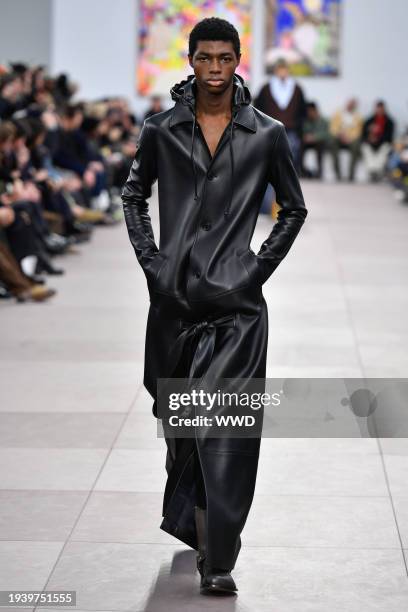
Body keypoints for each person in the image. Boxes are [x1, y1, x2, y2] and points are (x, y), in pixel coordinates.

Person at [121, 17, 308, 596]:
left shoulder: (266, 134)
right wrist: (153, 264)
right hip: (174, 306)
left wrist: (255, 270)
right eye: (205, 58)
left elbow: (293, 208)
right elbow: (133, 194)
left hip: (237, 314)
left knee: (223, 434)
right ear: (191, 59)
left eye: (225, 58)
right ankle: (200, 531)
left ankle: (219, 561)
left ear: (238, 60)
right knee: (183, 432)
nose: (215, 69)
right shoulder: (161, 130)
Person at [253, 57, 306, 173]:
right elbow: (258, 108)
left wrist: (298, 125)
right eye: (280, 69)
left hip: (291, 128)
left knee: (293, 150)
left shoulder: (297, 89)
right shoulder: (266, 88)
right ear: (276, 71)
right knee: (269, 152)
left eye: (284, 69)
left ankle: (290, 175)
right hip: (270, 128)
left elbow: (302, 110)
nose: (282, 72)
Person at [328, 98, 363, 181]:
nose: (350, 106)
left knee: (356, 146)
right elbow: (332, 128)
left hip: (351, 139)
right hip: (339, 137)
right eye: (349, 104)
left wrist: (349, 138)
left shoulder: (358, 117)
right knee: (332, 143)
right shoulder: (338, 114)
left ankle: (351, 175)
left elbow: (358, 131)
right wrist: (340, 134)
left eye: (352, 104)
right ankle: (337, 174)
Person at [361, 100, 395, 182]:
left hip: (382, 143)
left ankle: (377, 171)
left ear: (384, 109)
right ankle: (372, 171)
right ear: (375, 109)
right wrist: (370, 138)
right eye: (378, 108)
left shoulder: (389, 121)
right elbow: (363, 135)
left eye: (381, 109)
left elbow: (389, 136)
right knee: (365, 148)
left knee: (385, 149)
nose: (379, 110)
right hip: (370, 143)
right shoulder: (369, 120)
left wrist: (378, 139)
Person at [301, 101, 330, 179]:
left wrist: (314, 137)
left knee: (320, 146)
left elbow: (326, 134)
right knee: (300, 146)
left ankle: (319, 172)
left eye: (310, 111)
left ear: (314, 110)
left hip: (319, 142)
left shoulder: (324, 121)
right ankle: (302, 171)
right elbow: (304, 131)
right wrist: (306, 137)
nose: (308, 113)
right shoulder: (306, 121)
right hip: (308, 142)